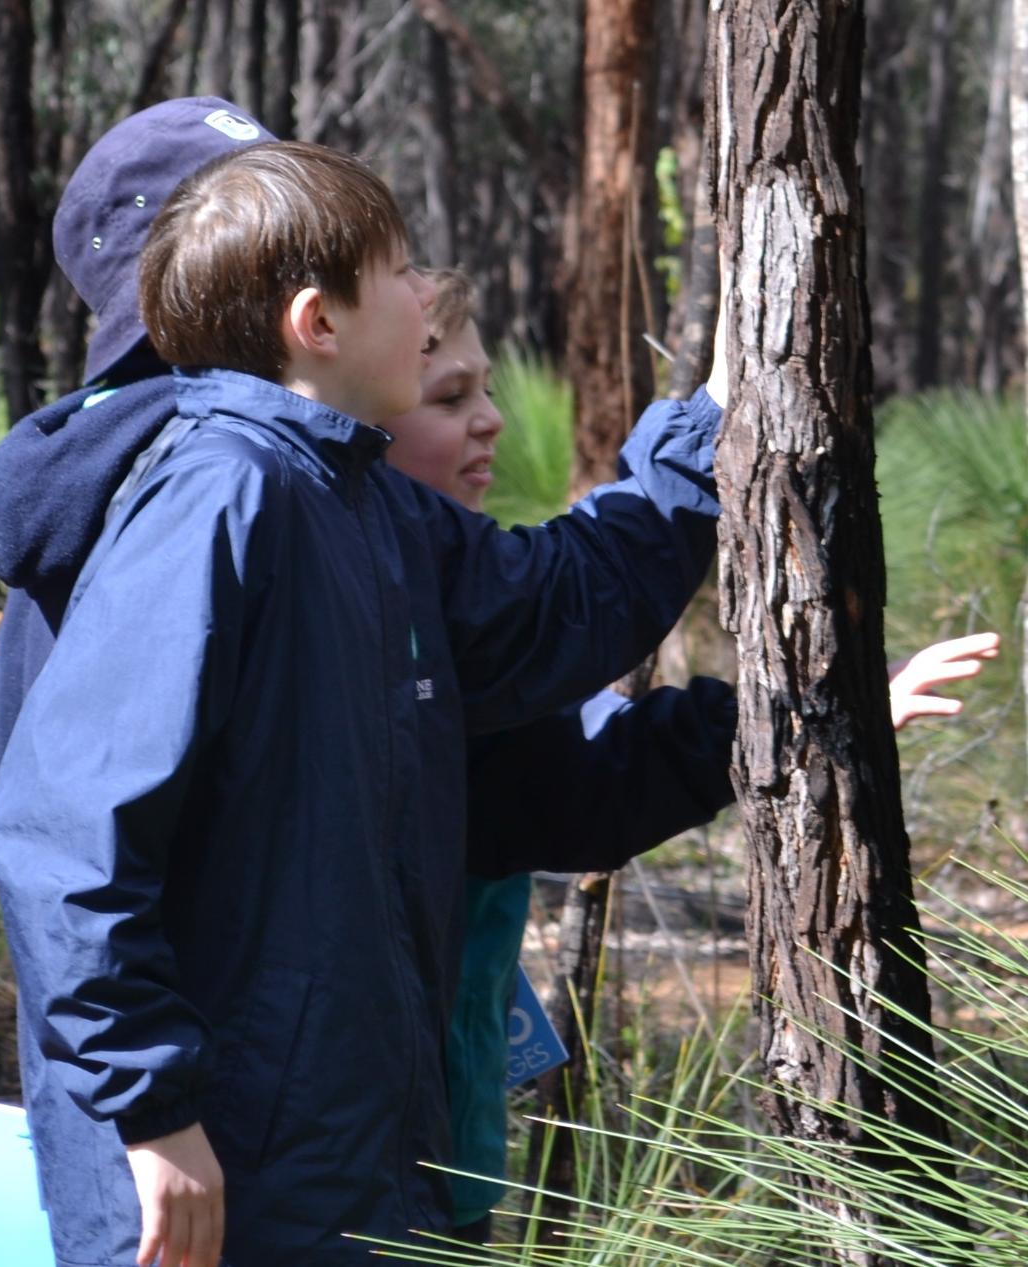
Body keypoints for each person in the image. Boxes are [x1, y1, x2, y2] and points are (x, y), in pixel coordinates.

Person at [0, 119, 727, 1267]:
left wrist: (705, 434)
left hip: (340, 1157)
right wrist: (155, 1112)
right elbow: (65, 835)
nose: (425, 295)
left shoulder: (353, 498)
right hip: (218, 1176)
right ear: (314, 322)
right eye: (395, 273)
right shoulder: (220, 496)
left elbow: (551, 603)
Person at [377, 268, 1001, 1243]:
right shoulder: (357, 620)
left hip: (430, 1167)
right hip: (351, 1183)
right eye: (449, 397)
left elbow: (574, 782)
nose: (491, 418)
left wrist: (813, 712)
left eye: (486, 386)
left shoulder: (414, 614)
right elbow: (568, 618)